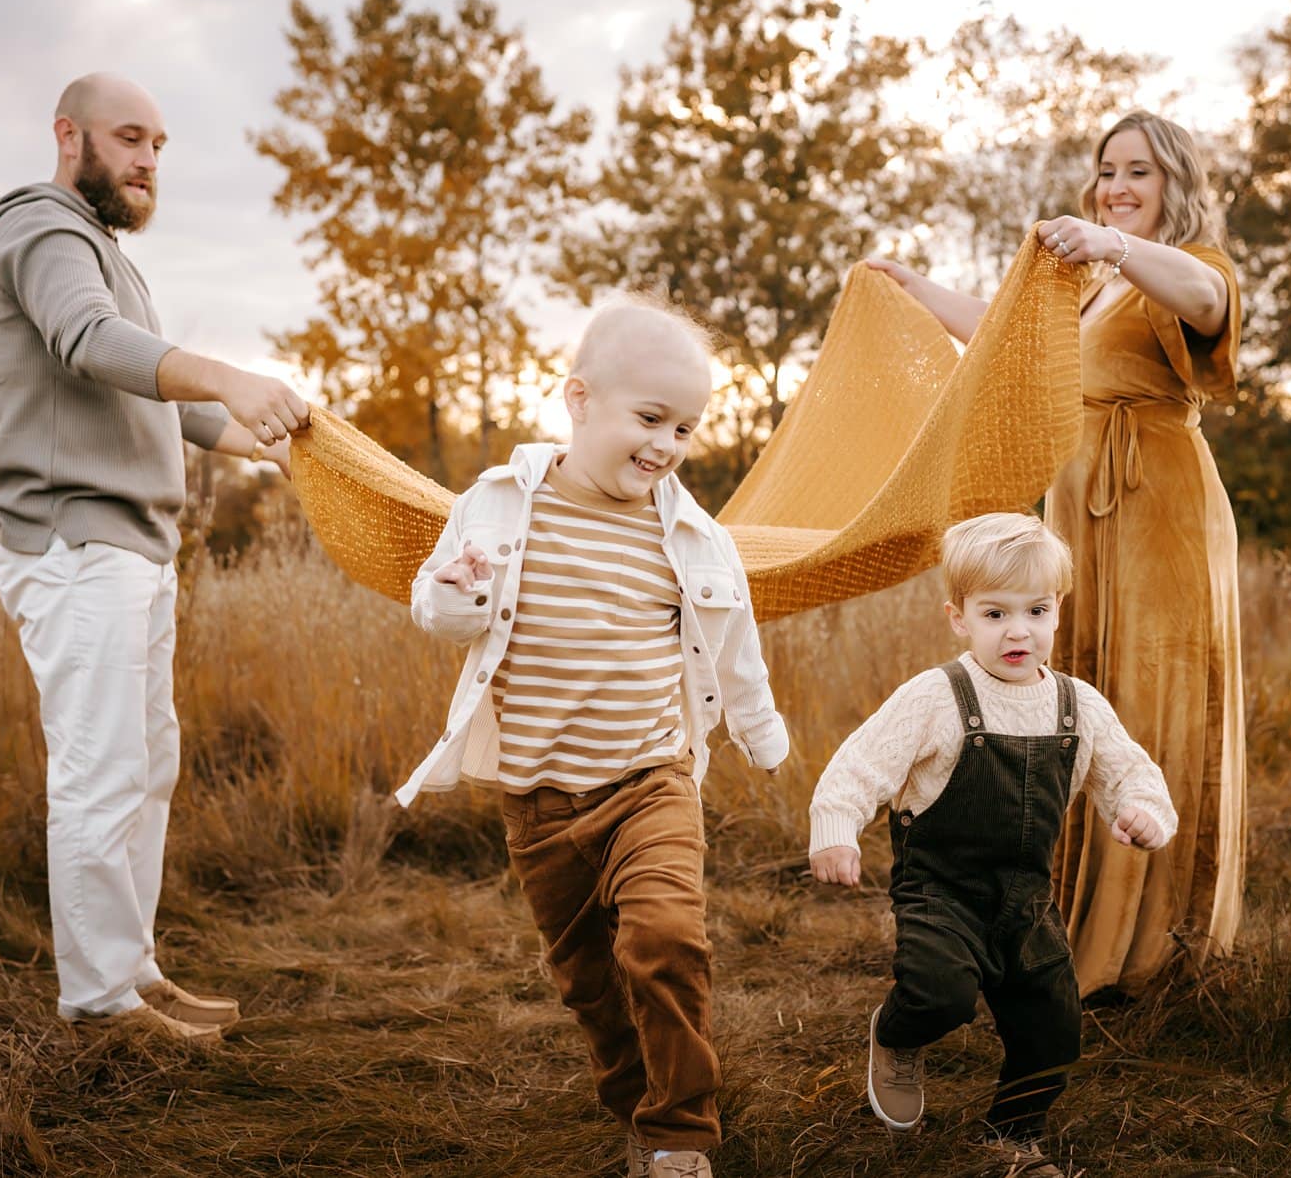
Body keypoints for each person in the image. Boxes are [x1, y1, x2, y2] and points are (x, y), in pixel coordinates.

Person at [401, 295, 789, 1178]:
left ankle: (682, 1124)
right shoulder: (498, 506)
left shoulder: (692, 536)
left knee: (664, 938)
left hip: (651, 778)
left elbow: (736, 645)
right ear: (578, 400)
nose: (666, 444)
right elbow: (440, 611)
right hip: (538, 798)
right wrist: (456, 592)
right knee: (587, 979)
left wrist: (762, 735)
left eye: (685, 427)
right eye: (649, 417)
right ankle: (631, 1093)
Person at [867, 109, 1243, 997]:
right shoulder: (1086, 281)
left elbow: (1204, 298)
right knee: (1072, 692)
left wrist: (1112, 245)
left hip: (1160, 502)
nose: (1118, 185)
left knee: (1153, 690)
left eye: (1140, 171)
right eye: (1108, 169)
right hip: (1076, 505)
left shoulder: (1186, 269)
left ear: (1174, 184)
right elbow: (998, 334)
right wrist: (911, 283)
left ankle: (1154, 944)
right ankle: (1068, 920)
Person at [0, 72, 310, 1042]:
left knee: (146, 763)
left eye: (159, 144)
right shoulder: (37, 226)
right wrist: (234, 375)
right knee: (100, 766)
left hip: (131, 545)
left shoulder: (107, 252)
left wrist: (266, 437)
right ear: (67, 133)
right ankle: (98, 1005)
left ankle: (133, 970)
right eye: (129, 138)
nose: (148, 160)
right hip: (72, 538)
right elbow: (90, 343)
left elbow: (160, 390)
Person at [808, 512, 1173, 1171]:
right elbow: (864, 761)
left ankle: (1009, 1133)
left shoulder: (1077, 705)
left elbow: (1129, 770)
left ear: (1057, 611)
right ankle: (896, 1036)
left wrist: (1145, 810)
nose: (1018, 630)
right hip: (941, 891)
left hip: (1026, 900)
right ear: (959, 617)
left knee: (1055, 1029)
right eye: (995, 612)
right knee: (939, 991)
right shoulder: (939, 696)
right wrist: (837, 828)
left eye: (1035, 609)